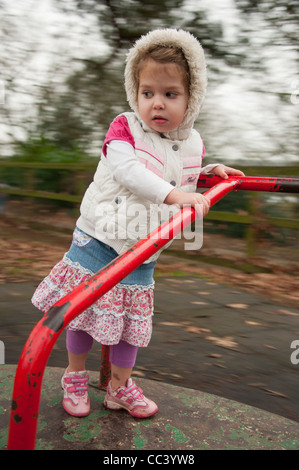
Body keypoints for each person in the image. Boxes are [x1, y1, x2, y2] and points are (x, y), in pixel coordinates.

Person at [32, 28, 244, 419]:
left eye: (170, 94)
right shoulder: (124, 127)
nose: (157, 104)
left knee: (131, 325)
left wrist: (211, 170)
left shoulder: (193, 142)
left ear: (191, 98)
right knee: (81, 312)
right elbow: (130, 171)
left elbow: (184, 174)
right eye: (148, 93)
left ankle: (118, 387)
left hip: (143, 250)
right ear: (135, 92)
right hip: (99, 238)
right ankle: (74, 376)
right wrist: (175, 196)